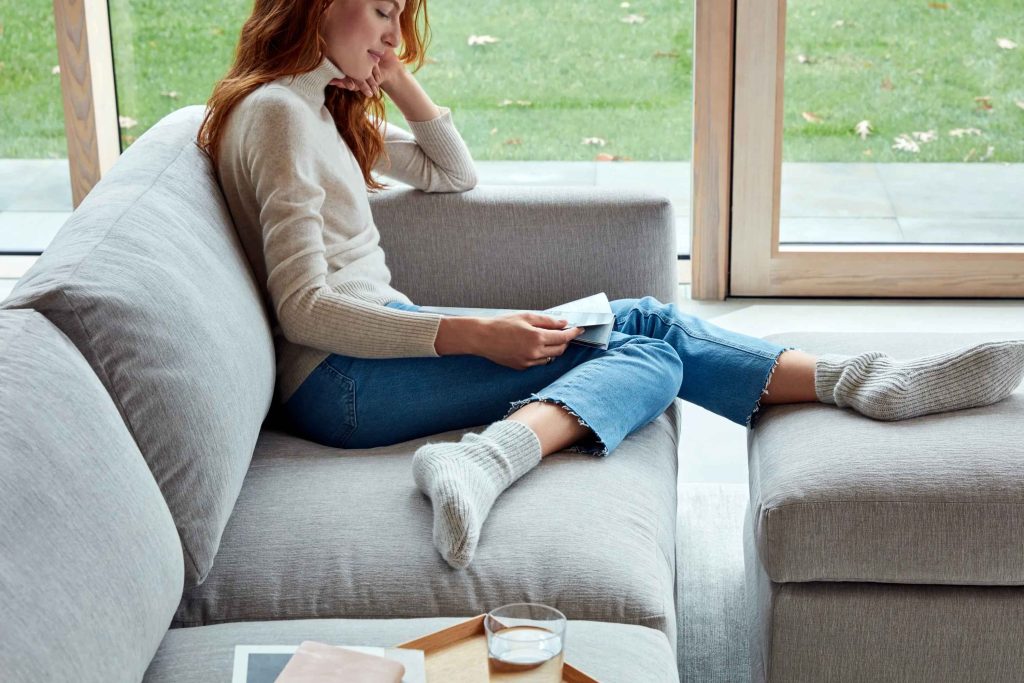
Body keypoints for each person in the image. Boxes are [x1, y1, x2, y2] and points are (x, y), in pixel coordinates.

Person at [199, 0, 1024, 570]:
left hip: (373, 350)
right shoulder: (277, 115)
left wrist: (392, 75)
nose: (391, 35)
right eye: (382, 12)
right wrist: (475, 332)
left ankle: (861, 380)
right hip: (337, 382)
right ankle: (485, 461)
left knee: (645, 318)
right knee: (651, 357)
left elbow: (454, 173)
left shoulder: (314, 110)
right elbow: (303, 307)